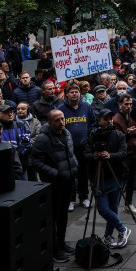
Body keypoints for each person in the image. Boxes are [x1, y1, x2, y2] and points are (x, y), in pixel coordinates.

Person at [30, 109, 78, 263]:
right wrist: (55, 173)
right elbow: (36, 162)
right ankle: (54, 248)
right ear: (50, 122)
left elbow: (70, 154)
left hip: (68, 181)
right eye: (57, 120)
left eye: (62, 119)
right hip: (54, 184)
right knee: (53, 218)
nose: (61, 122)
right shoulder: (43, 139)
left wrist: (74, 167)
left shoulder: (66, 133)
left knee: (63, 215)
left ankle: (62, 242)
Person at [85, 109, 131, 248]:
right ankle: (123, 229)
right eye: (105, 118)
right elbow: (85, 153)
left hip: (115, 176)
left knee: (114, 208)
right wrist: (93, 155)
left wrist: (110, 155)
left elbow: (123, 153)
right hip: (98, 178)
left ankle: (107, 235)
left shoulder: (119, 135)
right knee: (103, 209)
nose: (109, 121)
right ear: (99, 121)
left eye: (111, 118)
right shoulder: (93, 135)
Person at [58, 83, 96, 211]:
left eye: (77, 92)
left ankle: (84, 197)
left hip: (84, 147)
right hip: (68, 149)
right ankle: (70, 199)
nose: (74, 94)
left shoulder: (86, 106)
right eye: (72, 92)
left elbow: (93, 123)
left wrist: (89, 136)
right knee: (70, 175)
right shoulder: (61, 109)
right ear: (67, 94)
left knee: (83, 174)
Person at [112, 94, 136, 214]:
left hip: (135, 152)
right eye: (126, 104)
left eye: (130, 104)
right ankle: (114, 205)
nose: (129, 106)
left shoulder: (133, 116)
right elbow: (116, 139)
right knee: (121, 180)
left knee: (132, 179)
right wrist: (129, 134)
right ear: (120, 104)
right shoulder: (116, 119)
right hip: (123, 155)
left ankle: (128, 203)